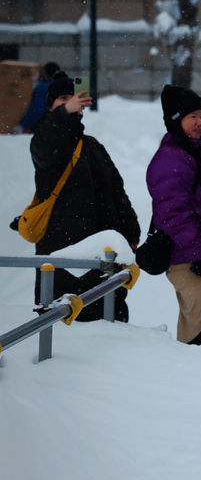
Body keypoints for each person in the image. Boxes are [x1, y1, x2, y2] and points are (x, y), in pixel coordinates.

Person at [29, 70, 140, 321]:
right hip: (61, 253)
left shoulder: (92, 146)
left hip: (99, 255)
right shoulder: (45, 142)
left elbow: (116, 193)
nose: (71, 103)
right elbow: (46, 145)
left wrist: (130, 232)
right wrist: (63, 114)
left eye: (73, 98)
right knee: (62, 325)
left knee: (107, 322)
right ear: (51, 108)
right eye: (62, 99)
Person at [146, 85, 201, 348]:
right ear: (175, 120)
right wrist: (197, 253)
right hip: (192, 260)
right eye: (192, 116)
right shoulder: (172, 158)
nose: (200, 122)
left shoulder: (193, 153)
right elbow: (173, 212)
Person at [19, 61, 60, 133]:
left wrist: (24, 125)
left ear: (46, 74)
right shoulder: (64, 86)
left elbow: (36, 109)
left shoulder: (43, 88)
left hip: (43, 128)